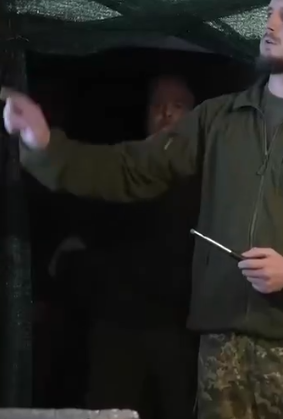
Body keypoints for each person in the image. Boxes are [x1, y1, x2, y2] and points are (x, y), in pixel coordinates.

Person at [1, 0, 283, 419]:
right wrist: (46, 147)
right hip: (221, 352)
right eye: (270, 12)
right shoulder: (218, 118)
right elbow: (133, 169)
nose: (269, 24)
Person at [48, 74, 199, 419]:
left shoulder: (207, 179)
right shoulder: (120, 170)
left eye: (177, 106)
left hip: (177, 331)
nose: (166, 114)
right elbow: (88, 236)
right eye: (157, 105)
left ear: (193, 117)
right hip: (116, 325)